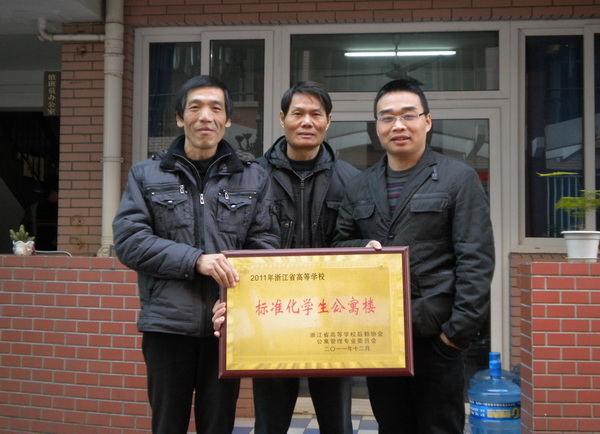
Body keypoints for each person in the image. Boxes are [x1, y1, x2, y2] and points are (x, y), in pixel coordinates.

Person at [112, 75, 280, 434]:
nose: (206, 116)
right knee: (167, 425)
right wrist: (196, 260)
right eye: (195, 107)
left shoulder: (254, 177)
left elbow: (265, 246)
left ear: (228, 119)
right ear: (179, 117)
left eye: (216, 108)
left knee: (218, 425)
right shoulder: (146, 174)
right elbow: (130, 241)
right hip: (167, 328)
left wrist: (236, 301)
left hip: (225, 329)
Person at [331, 79, 495, 433]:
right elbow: (338, 245)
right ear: (377, 126)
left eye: (408, 115)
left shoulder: (457, 178)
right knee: (391, 425)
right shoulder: (360, 184)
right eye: (387, 117)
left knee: (439, 427)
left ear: (427, 121)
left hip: (436, 336)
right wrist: (360, 248)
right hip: (380, 335)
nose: (398, 125)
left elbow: (476, 260)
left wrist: (456, 335)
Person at [213, 81, 359, 434]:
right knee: (270, 421)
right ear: (282, 118)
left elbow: (357, 241)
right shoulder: (252, 175)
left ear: (328, 121)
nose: (306, 121)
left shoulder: (352, 179)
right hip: (272, 317)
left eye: (316, 114)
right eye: (298, 113)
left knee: (337, 421)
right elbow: (238, 240)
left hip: (333, 318)